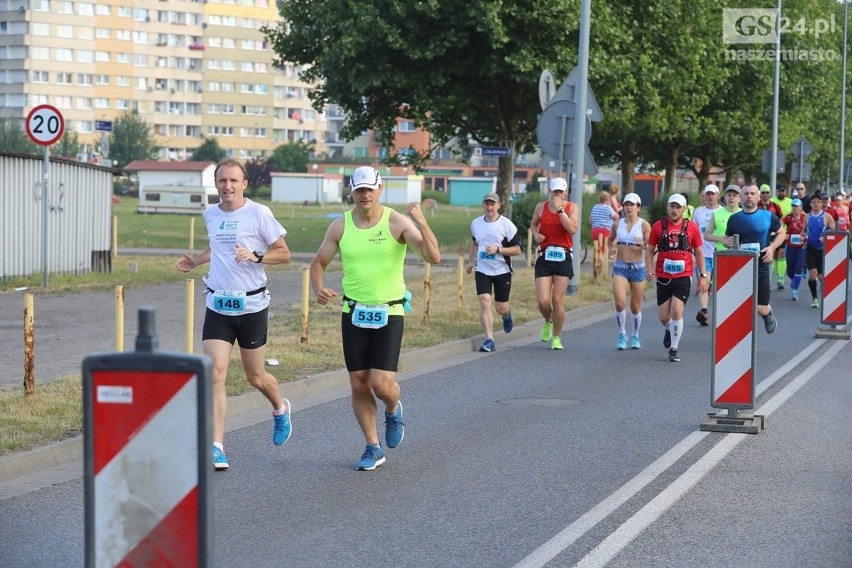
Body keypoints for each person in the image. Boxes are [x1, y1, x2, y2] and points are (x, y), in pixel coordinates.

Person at [309, 166, 440, 471]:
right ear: (351, 191)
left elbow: (433, 256)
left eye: (371, 189)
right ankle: (372, 447)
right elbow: (318, 263)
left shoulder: (397, 222)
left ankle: (393, 408)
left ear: (380, 189)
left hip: (389, 311)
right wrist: (318, 289)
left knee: (382, 384)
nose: (365, 195)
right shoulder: (340, 226)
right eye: (359, 190)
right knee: (358, 382)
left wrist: (421, 222)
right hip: (353, 311)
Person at [176, 159, 293, 471]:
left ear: (244, 184)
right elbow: (218, 247)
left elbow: (284, 253)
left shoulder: (259, 213)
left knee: (256, 377)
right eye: (221, 181)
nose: (227, 186)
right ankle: (217, 447)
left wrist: (256, 256)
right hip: (218, 304)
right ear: (216, 184)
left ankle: (280, 408)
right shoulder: (211, 214)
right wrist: (196, 261)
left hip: (252, 306)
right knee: (215, 374)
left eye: (232, 181)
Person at [645, 193, 708, 363]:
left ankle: (674, 348)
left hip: (683, 275)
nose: (674, 210)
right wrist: (649, 268)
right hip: (664, 276)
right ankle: (670, 328)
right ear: (667, 207)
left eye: (678, 207)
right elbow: (650, 249)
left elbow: (700, 251)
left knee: (676, 311)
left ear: (684, 209)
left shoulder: (692, 227)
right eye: (672, 206)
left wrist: (703, 275)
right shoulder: (658, 226)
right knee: (665, 317)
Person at [723, 184, 786, 333]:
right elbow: (728, 240)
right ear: (741, 197)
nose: (749, 196)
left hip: (761, 267)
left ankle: (768, 314)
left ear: (758, 197)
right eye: (746, 194)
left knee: (761, 308)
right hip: (740, 269)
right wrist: (726, 242)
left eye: (752, 193)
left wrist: (771, 247)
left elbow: (782, 233)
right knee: (741, 307)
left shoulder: (768, 216)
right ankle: (742, 341)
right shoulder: (734, 219)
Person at [465, 192, 521, 352]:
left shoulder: (507, 225)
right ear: (483, 205)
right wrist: (471, 261)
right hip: (482, 269)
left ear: (498, 205)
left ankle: (507, 314)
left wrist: (498, 250)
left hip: (502, 270)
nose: (489, 207)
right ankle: (489, 339)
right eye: (487, 204)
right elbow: (474, 243)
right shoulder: (476, 223)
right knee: (484, 300)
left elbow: (517, 250)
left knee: (501, 307)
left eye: (492, 204)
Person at [530, 177, 580, 351]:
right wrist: (536, 235)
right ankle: (548, 322)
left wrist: (560, 210)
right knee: (543, 301)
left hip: (563, 256)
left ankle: (557, 337)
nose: (557, 194)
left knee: (557, 300)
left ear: (565, 192)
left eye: (560, 191)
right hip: (545, 256)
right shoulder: (541, 207)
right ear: (550, 191)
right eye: (555, 191)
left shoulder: (572, 207)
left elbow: (572, 229)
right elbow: (533, 225)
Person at [606, 192, 651, 350]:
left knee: (635, 307)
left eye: (632, 205)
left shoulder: (644, 225)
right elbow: (610, 240)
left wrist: (643, 245)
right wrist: (611, 248)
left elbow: (652, 247)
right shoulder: (617, 224)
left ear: (638, 207)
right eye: (626, 204)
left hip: (638, 268)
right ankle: (622, 333)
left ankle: (635, 335)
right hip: (621, 267)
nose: (628, 207)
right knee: (619, 303)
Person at [691, 184, 721, 326]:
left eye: (712, 194)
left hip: (720, 253)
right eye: (707, 194)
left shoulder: (723, 212)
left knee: (718, 285)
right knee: (704, 281)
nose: (710, 196)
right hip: (703, 253)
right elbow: (692, 231)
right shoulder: (698, 212)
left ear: (717, 196)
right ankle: (704, 311)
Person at [804, 191, 836, 308]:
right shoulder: (807, 216)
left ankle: (830, 294)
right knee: (813, 274)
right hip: (811, 248)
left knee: (822, 277)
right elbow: (803, 231)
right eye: (814, 202)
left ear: (822, 203)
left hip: (823, 250)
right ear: (811, 204)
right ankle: (815, 299)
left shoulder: (827, 216)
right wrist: (803, 236)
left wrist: (826, 236)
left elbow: (834, 233)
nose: (816, 204)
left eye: (818, 202)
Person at [760, 183, 788, 289]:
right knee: (765, 257)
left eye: (767, 192)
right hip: (761, 235)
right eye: (763, 192)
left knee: (772, 256)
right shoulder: (757, 205)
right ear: (760, 194)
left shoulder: (775, 206)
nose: (765, 195)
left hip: (773, 234)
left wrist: (778, 229)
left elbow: (780, 219)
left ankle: (770, 280)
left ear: (770, 193)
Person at [781, 198, 808, 301]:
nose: (795, 208)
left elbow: (810, 229)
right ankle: (794, 280)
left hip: (801, 247)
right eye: (793, 206)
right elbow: (780, 226)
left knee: (798, 268)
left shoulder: (805, 217)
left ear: (801, 207)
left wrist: (805, 236)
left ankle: (795, 290)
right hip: (791, 246)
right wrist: (785, 234)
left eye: (797, 206)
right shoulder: (788, 218)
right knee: (790, 271)